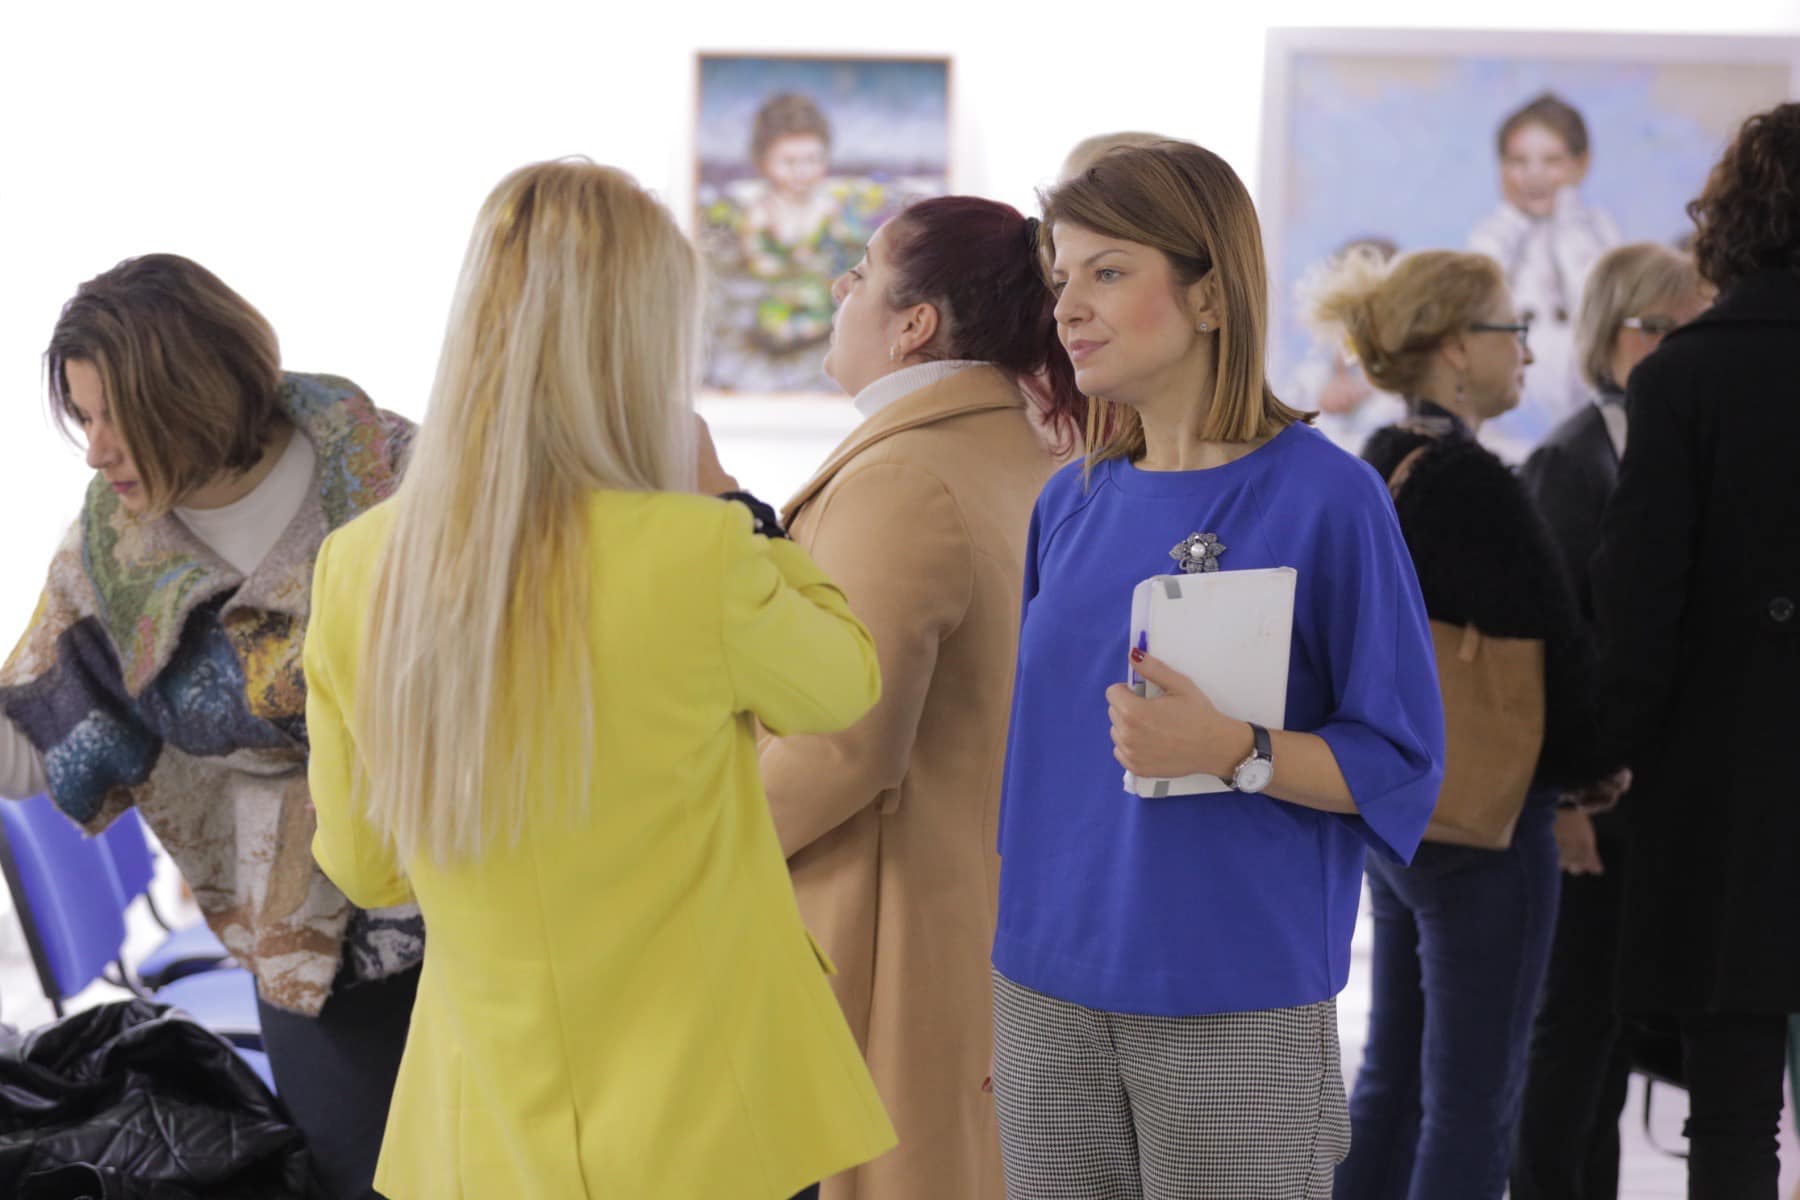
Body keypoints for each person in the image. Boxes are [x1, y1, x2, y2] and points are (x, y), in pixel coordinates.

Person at [302, 159, 896, 1199]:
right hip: (711, 1113)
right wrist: (733, 502)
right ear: (636, 346)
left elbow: (369, 868)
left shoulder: (358, 566)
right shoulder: (694, 549)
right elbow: (842, 684)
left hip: (480, 1126)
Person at [991, 140, 1445, 1200]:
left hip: (1233, 994)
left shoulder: (1329, 501)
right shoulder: (1069, 502)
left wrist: (1236, 750)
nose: (1069, 307)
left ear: (1209, 295)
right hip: (1044, 988)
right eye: (1062, 277)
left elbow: (1399, 763)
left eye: (1108, 272)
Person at [0, 253, 422, 1200]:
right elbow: (45, 733)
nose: (96, 450)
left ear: (193, 392)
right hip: (303, 937)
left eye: (115, 416)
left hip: (469, 892)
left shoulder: (403, 480)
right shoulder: (115, 548)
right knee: (356, 1179)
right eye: (83, 418)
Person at [759, 194, 1083, 1200]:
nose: (838, 286)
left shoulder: (906, 478)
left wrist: (692, 851)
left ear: (915, 324)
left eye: (860, 271)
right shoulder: (1013, 454)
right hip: (965, 903)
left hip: (885, 918)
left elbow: (841, 744)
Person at [1314, 247, 1621, 1200]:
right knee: (1475, 1103)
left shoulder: (1380, 460)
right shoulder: (1472, 482)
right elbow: (1554, 645)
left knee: (1392, 1082)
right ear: (1455, 346)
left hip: (1398, 812)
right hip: (1486, 823)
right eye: (1511, 329)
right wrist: (1593, 769)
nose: (1525, 351)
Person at [1591, 101, 1800, 1199]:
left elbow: (1641, 607)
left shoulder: (1681, 379)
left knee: (1731, 1117)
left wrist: (1594, 762)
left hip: (1733, 796)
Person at [1510, 241, 1707, 1200]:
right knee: (1572, 1032)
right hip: (1588, 802)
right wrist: (1561, 800)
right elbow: (1546, 653)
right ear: (1613, 335)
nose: (1679, 350)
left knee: (1615, 1035)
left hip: (1654, 801)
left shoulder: (1669, 447)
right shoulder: (1569, 459)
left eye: (1690, 330)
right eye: (1661, 329)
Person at [1469, 93, 1621, 456]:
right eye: (1518, 161)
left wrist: (1570, 233)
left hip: (1580, 408)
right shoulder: (1490, 236)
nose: (1534, 175)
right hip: (1508, 422)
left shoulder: (1598, 232)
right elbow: (1474, 307)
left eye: (1552, 161)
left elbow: (1599, 311)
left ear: (1581, 165)